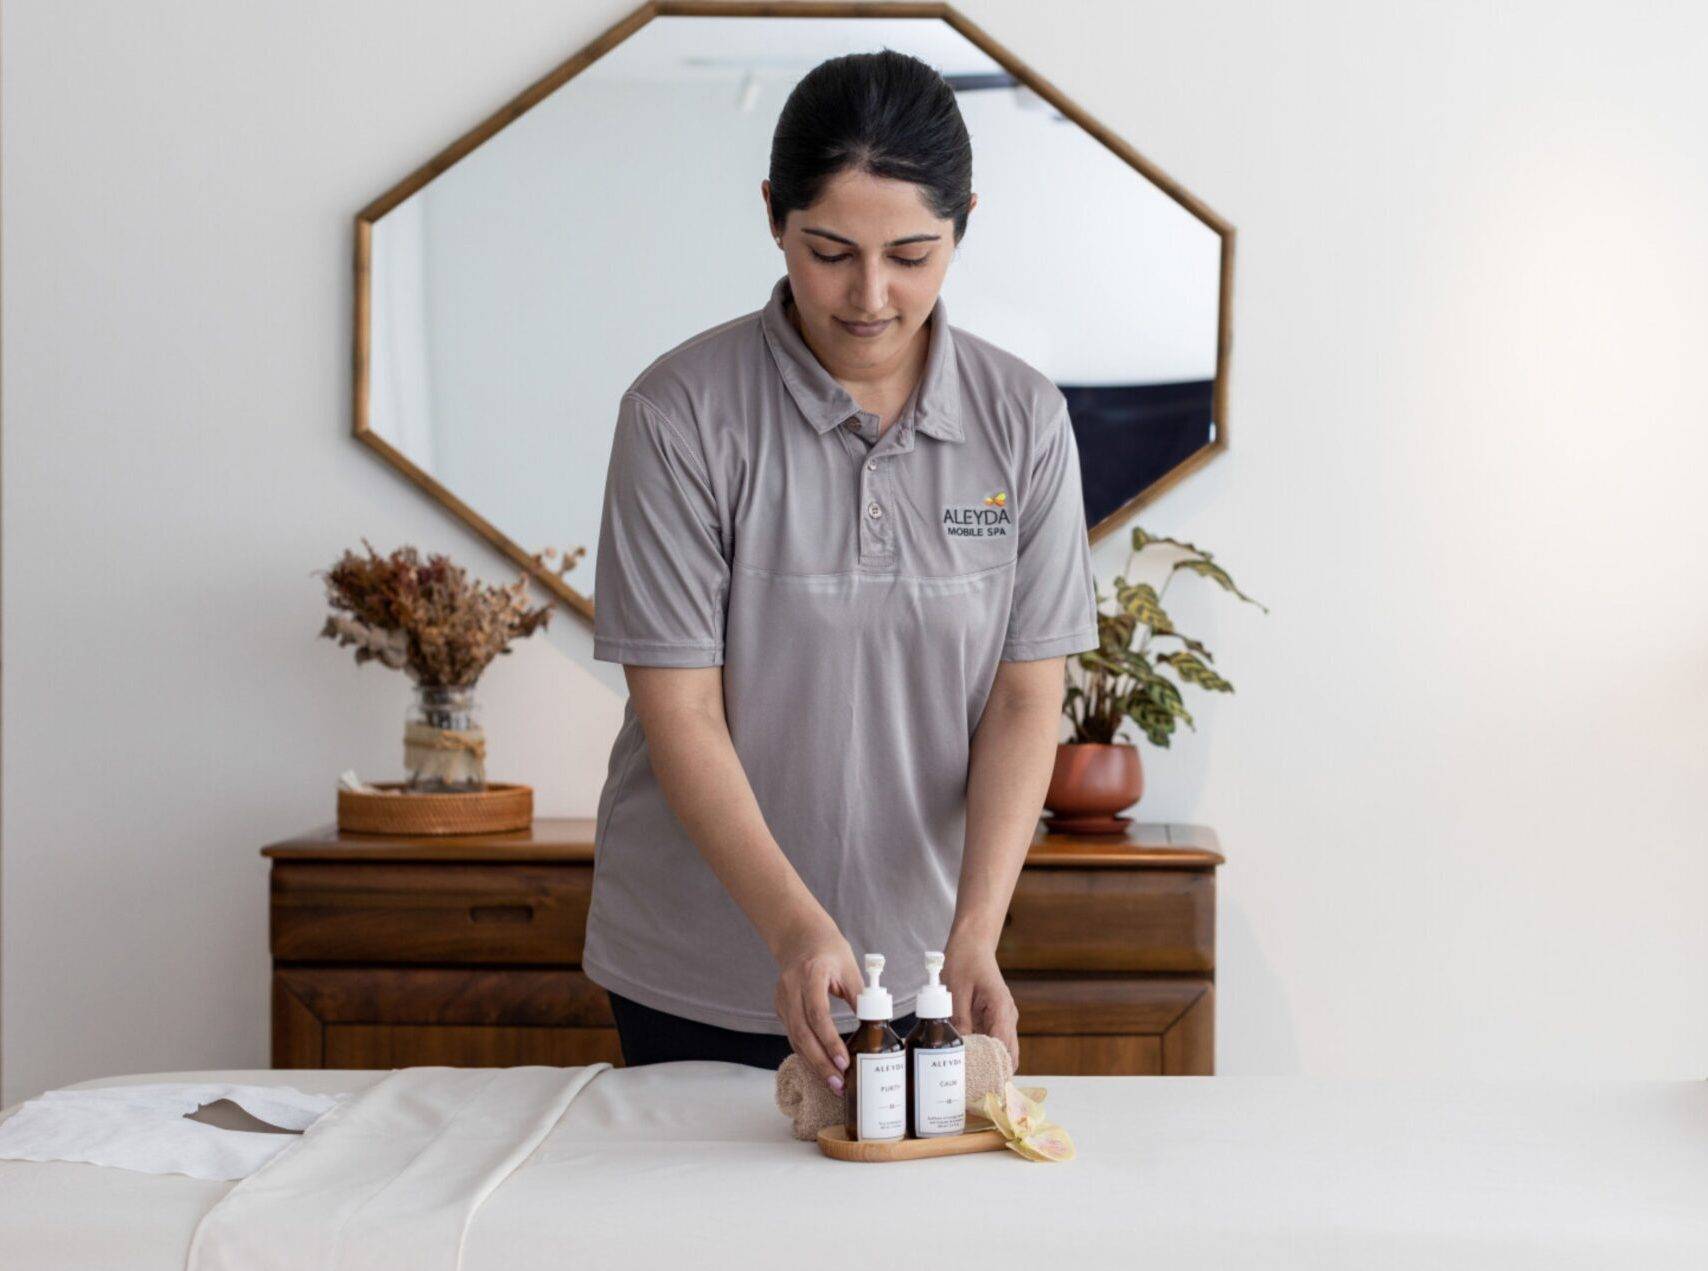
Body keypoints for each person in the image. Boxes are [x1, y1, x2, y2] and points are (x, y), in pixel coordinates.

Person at [584, 49, 1099, 1098]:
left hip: (920, 975)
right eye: (830, 251)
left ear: (963, 224)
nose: (870, 296)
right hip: (699, 958)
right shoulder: (679, 414)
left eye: (911, 253)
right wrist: (794, 925)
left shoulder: (1022, 420)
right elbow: (678, 708)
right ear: (774, 216)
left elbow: (1022, 693)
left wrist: (974, 932)